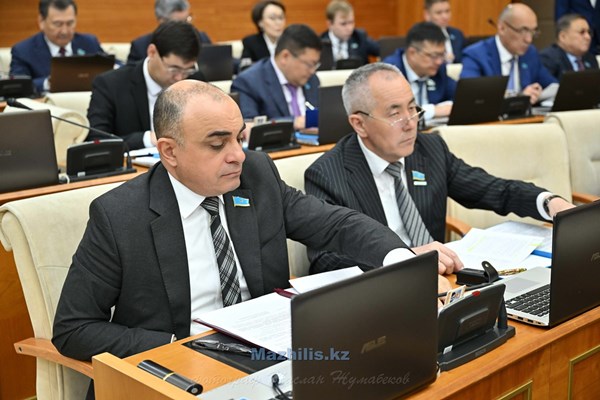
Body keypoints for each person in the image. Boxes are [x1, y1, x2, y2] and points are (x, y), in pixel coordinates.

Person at [52, 79, 442, 378]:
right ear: (169, 151)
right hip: (178, 368)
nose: (237, 155)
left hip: (269, 356)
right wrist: (178, 344)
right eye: (217, 144)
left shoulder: (256, 175)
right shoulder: (119, 216)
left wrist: (401, 259)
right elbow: (74, 329)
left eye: (239, 137)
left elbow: (334, 224)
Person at [304, 62, 574, 275]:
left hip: (444, 280)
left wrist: (549, 202)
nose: (410, 122)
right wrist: (402, 259)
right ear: (359, 124)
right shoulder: (328, 174)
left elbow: (494, 189)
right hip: (382, 291)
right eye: (395, 113)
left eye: (413, 108)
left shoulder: (429, 149)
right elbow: (326, 260)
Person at [87, 21, 202, 150]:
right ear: (152, 52)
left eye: (187, 70)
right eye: (173, 69)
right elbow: (96, 140)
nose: (179, 78)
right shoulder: (110, 84)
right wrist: (146, 139)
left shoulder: (195, 81)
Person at [460, 3, 557, 104]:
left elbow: (551, 85)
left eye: (533, 32)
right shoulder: (476, 55)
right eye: (523, 31)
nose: (529, 39)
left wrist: (537, 93)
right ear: (502, 28)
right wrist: (519, 98)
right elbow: (470, 97)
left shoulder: (530, 53)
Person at [231, 24, 321, 130]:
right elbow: (249, 127)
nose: (312, 71)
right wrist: (293, 122)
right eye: (309, 64)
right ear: (285, 57)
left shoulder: (312, 79)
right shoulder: (248, 82)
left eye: (315, 65)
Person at [9, 0, 104, 94]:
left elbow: (110, 68)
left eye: (70, 23)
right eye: (58, 24)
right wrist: (48, 83)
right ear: (41, 21)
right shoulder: (23, 51)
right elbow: (17, 86)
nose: (64, 31)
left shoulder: (89, 43)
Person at [383, 22, 455, 122]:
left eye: (442, 55)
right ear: (412, 53)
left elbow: (461, 98)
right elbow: (390, 112)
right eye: (433, 56)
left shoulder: (439, 69)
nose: (439, 61)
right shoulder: (389, 72)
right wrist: (432, 111)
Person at [127, 0, 211, 65]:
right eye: (177, 23)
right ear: (161, 21)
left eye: (186, 20)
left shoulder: (202, 39)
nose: (184, 27)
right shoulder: (140, 47)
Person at [540, 13, 599, 80]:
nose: (588, 37)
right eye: (582, 32)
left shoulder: (590, 59)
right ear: (563, 37)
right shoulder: (548, 59)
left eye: (589, 32)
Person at [320, 0, 379, 67]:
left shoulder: (359, 38)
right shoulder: (320, 44)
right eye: (343, 24)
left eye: (351, 22)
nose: (349, 28)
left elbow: (382, 50)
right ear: (330, 24)